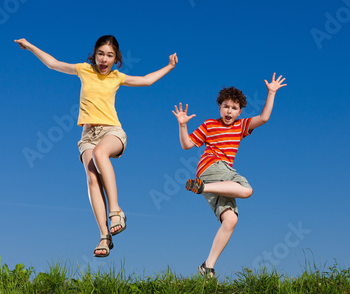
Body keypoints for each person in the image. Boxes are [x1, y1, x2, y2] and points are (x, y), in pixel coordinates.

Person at [15, 35, 178, 257]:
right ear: (95, 54)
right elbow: (54, 64)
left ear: (116, 59)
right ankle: (104, 236)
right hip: (88, 135)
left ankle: (116, 211)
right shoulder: (84, 70)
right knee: (92, 178)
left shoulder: (117, 77)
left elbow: (146, 80)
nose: (104, 59)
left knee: (101, 154)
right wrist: (30, 46)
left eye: (109, 55)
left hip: (111, 131)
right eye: (101, 53)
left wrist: (168, 66)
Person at [172, 73, 286, 276]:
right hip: (213, 167)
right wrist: (182, 125)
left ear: (240, 111)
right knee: (246, 190)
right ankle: (202, 187)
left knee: (230, 220)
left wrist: (271, 92)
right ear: (219, 107)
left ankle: (207, 267)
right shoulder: (209, 124)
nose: (229, 111)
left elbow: (264, 117)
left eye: (234, 108)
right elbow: (187, 144)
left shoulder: (240, 126)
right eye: (226, 106)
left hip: (217, 179)